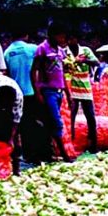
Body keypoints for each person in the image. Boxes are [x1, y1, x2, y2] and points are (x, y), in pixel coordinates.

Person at [31, 22, 73, 162]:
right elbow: (33, 71)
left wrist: (68, 94)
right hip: (47, 91)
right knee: (56, 122)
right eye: (61, 37)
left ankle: (49, 153)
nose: (63, 40)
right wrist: (37, 92)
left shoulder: (60, 51)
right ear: (54, 35)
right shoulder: (42, 49)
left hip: (59, 91)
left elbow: (61, 74)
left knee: (50, 123)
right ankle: (64, 155)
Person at [4, 29, 43, 163]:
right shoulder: (33, 49)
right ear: (25, 35)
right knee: (32, 124)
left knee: (17, 124)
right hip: (32, 92)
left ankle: (21, 154)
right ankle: (34, 154)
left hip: (14, 93)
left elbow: (7, 74)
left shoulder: (7, 52)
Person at [64, 31, 99, 153]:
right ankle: (71, 144)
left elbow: (96, 63)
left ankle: (93, 144)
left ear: (77, 39)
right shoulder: (64, 52)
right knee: (71, 116)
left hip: (85, 87)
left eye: (72, 38)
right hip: (71, 88)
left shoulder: (86, 51)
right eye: (68, 39)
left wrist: (84, 61)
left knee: (90, 116)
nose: (70, 41)